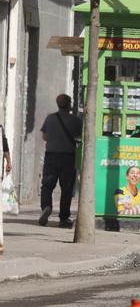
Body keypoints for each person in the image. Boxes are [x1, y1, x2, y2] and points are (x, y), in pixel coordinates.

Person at [39, 93, 82, 228]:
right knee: (66, 188)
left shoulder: (50, 118)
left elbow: (45, 137)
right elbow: (79, 138)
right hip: (68, 157)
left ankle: (46, 207)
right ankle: (64, 218)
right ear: (69, 105)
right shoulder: (76, 120)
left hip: (51, 155)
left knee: (47, 185)